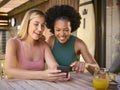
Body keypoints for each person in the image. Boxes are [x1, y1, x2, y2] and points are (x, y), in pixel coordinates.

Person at [5, 8, 67, 81]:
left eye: (43, 25)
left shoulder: (44, 45)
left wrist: (63, 73)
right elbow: (9, 72)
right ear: (27, 24)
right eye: (36, 24)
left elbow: (54, 66)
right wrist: (41, 75)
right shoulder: (13, 43)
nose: (40, 29)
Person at [46, 5, 99, 74]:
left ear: (72, 28)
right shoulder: (51, 40)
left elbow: (97, 69)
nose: (62, 34)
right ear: (53, 29)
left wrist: (86, 65)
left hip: (72, 81)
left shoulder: (79, 44)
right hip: (54, 80)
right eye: (58, 30)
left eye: (66, 30)